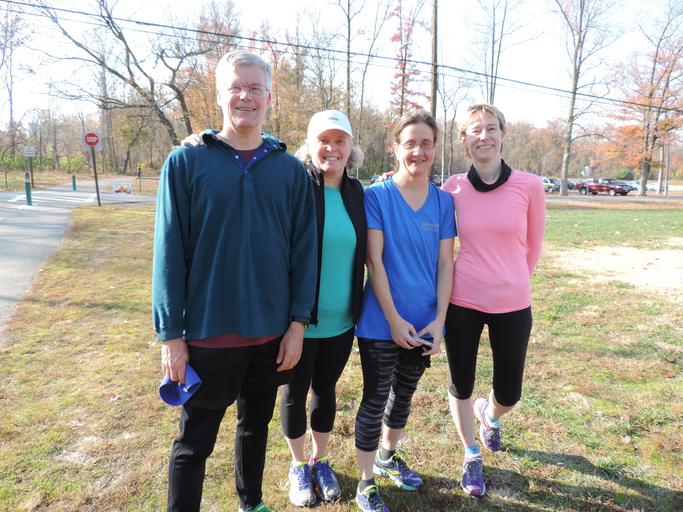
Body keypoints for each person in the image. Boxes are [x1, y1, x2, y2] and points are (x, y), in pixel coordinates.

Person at [152, 50, 317, 512]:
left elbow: (305, 253)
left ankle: (251, 502)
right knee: (194, 443)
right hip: (208, 335)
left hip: (270, 336)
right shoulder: (186, 163)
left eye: (255, 88)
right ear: (220, 95)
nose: (246, 96)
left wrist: (297, 325)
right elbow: (168, 254)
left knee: (254, 428)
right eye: (236, 88)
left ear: (269, 97)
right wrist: (171, 336)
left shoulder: (290, 170)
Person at [353, 111, 456, 512]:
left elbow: (445, 264)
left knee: (404, 396)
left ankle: (387, 455)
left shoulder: (444, 202)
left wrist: (440, 321)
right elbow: (374, 261)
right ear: (395, 148)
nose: (418, 151)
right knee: (375, 399)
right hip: (380, 322)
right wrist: (394, 320)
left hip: (425, 322)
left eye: (426, 143)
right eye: (410, 143)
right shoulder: (377, 197)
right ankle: (365, 482)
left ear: (435, 148)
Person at [441, 103, 546, 497]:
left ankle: (491, 414)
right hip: (463, 301)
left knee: (509, 392)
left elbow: (534, 245)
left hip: (513, 302)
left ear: (502, 135)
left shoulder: (529, 185)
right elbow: (417, 204)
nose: (483, 136)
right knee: (461, 384)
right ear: (464, 140)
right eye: (475, 130)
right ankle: (471, 453)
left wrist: (513, 279)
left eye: (490, 128)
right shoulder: (452, 188)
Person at [280, 110, 367, 507]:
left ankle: (321, 459)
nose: (332, 148)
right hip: (298, 322)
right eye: (323, 140)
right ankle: (298, 465)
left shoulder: (357, 192)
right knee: (295, 392)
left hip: (342, 321)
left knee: (325, 390)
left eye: (340, 141)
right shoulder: (296, 186)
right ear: (310, 145)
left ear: (351, 148)